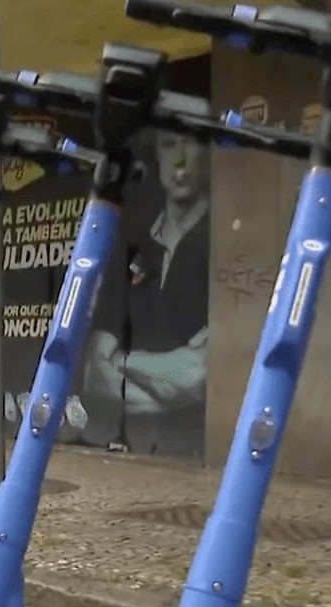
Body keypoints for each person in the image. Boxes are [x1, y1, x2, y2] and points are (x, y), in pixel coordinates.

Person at [78, 128, 211, 460]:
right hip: (128, 450)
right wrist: (166, 376)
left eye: (190, 145)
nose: (180, 161)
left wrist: (121, 364)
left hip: (194, 454)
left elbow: (195, 380)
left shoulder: (219, 240)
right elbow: (95, 378)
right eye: (169, 145)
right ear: (156, 156)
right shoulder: (135, 240)